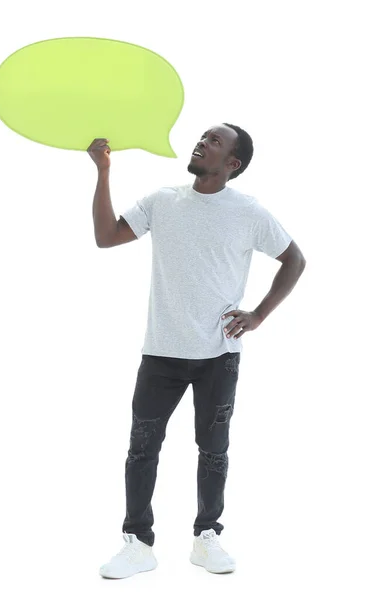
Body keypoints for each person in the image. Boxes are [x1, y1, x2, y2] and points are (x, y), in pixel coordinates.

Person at [88, 123, 306, 579]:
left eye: (214, 141)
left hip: (219, 356)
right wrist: (103, 172)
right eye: (203, 136)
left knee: (214, 449)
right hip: (161, 353)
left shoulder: (248, 212)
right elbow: (107, 236)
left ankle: (207, 536)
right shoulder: (163, 201)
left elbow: (294, 260)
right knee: (142, 449)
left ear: (232, 164)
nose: (201, 142)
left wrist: (259, 315)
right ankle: (137, 542)